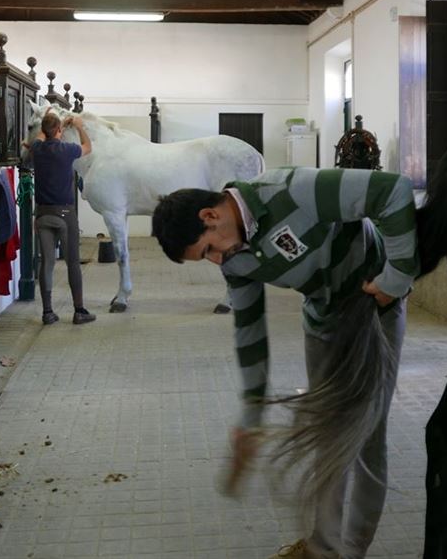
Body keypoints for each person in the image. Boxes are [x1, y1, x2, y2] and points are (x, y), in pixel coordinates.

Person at [152, 166, 418, 559]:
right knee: (329, 434)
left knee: (367, 436)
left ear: (209, 216)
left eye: (207, 249)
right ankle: (324, 549)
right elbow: (250, 332)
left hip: (375, 309)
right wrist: (252, 415)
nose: (215, 260)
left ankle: (354, 549)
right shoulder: (235, 261)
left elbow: (392, 190)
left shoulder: (293, 190)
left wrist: (396, 278)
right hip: (324, 323)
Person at [29, 110, 95, 326]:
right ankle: (79, 311)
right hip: (65, 214)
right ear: (59, 131)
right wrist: (78, 126)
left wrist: (51, 126)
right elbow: (88, 147)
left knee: (46, 262)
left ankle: (47, 313)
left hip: (42, 214)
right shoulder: (67, 150)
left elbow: (40, 137)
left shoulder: (37, 149)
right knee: (72, 263)